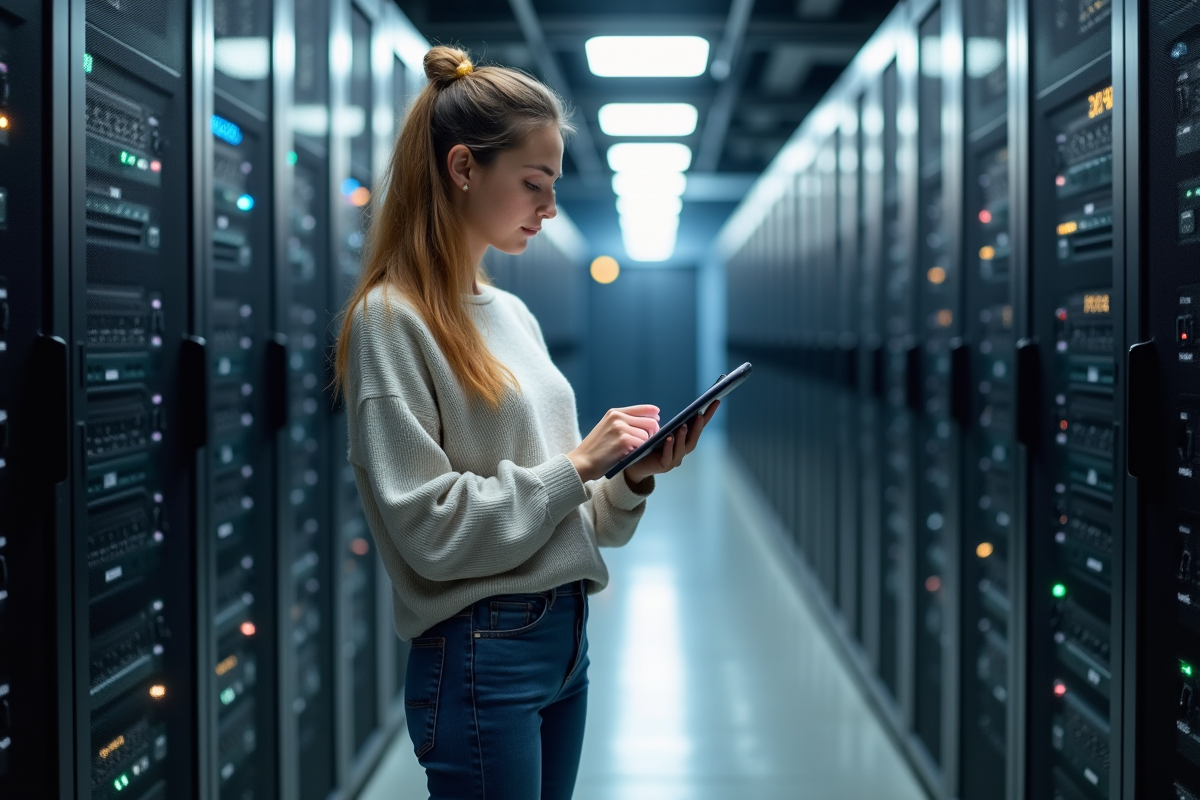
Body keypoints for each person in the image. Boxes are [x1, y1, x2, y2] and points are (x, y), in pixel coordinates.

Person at [332, 45, 719, 800]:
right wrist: (576, 465)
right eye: (533, 185)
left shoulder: (512, 313)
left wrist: (630, 477)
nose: (548, 209)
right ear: (464, 168)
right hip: (480, 651)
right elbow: (429, 530)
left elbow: (579, 523)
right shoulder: (391, 319)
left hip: (565, 640)